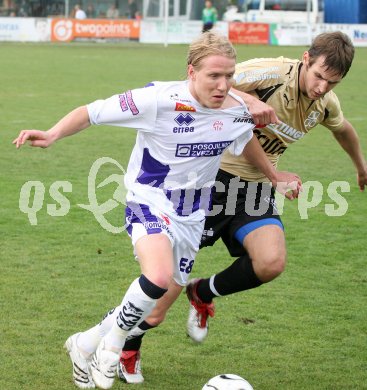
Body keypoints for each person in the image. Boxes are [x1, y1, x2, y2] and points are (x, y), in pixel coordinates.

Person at [13, 32, 300, 389]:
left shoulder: (237, 110)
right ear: (191, 72)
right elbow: (91, 112)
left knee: (157, 307)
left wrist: (273, 175)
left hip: (193, 216)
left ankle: (85, 342)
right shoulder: (158, 99)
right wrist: (53, 134)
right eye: (214, 76)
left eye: (229, 76)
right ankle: (111, 347)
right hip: (149, 199)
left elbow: (244, 143)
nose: (223, 85)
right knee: (158, 276)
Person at [115, 31, 367, 383]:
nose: (323, 87)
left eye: (333, 82)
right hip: (208, 181)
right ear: (305, 59)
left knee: (271, 262)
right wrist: (246, 101)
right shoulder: (268, 73)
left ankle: (202, 292)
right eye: (319, 76)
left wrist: (360, 166)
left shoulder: (324, 103)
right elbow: (206, 80)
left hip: (256, 187)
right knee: (158, 306)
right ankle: (128, 343)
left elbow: (344, 130)